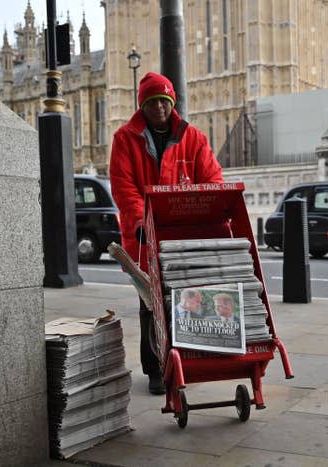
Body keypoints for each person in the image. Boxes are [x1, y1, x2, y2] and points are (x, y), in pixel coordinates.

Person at [110, 72, 223, 395]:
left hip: (182, 237)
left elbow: (212, 180)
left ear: (172, 103)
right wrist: (139, 219)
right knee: (150, 305)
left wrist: (209, 211)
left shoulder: (193, 138)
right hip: (145, 238)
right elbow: (123, 187)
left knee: (186, 300)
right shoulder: (125, 138)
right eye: (152, 101)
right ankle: (156, 368)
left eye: (164, 100)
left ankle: (186, 358)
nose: (158, 106)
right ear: (142, 105)